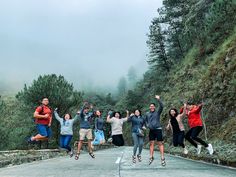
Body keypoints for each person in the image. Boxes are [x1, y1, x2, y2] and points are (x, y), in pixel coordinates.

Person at [145, 95, 166, 166]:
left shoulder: (157, 112)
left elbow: (162, 106)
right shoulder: (147, 114)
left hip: (158, 129)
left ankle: (162, 158)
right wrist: (147, 125)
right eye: (150, 106)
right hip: (151, 130)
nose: (151, 107)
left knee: (160, 143)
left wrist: (158, 99)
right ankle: (151, 157)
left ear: (154, 107)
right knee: (151, 143)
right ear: (149, 107)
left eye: (152, 106)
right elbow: (145, 121)